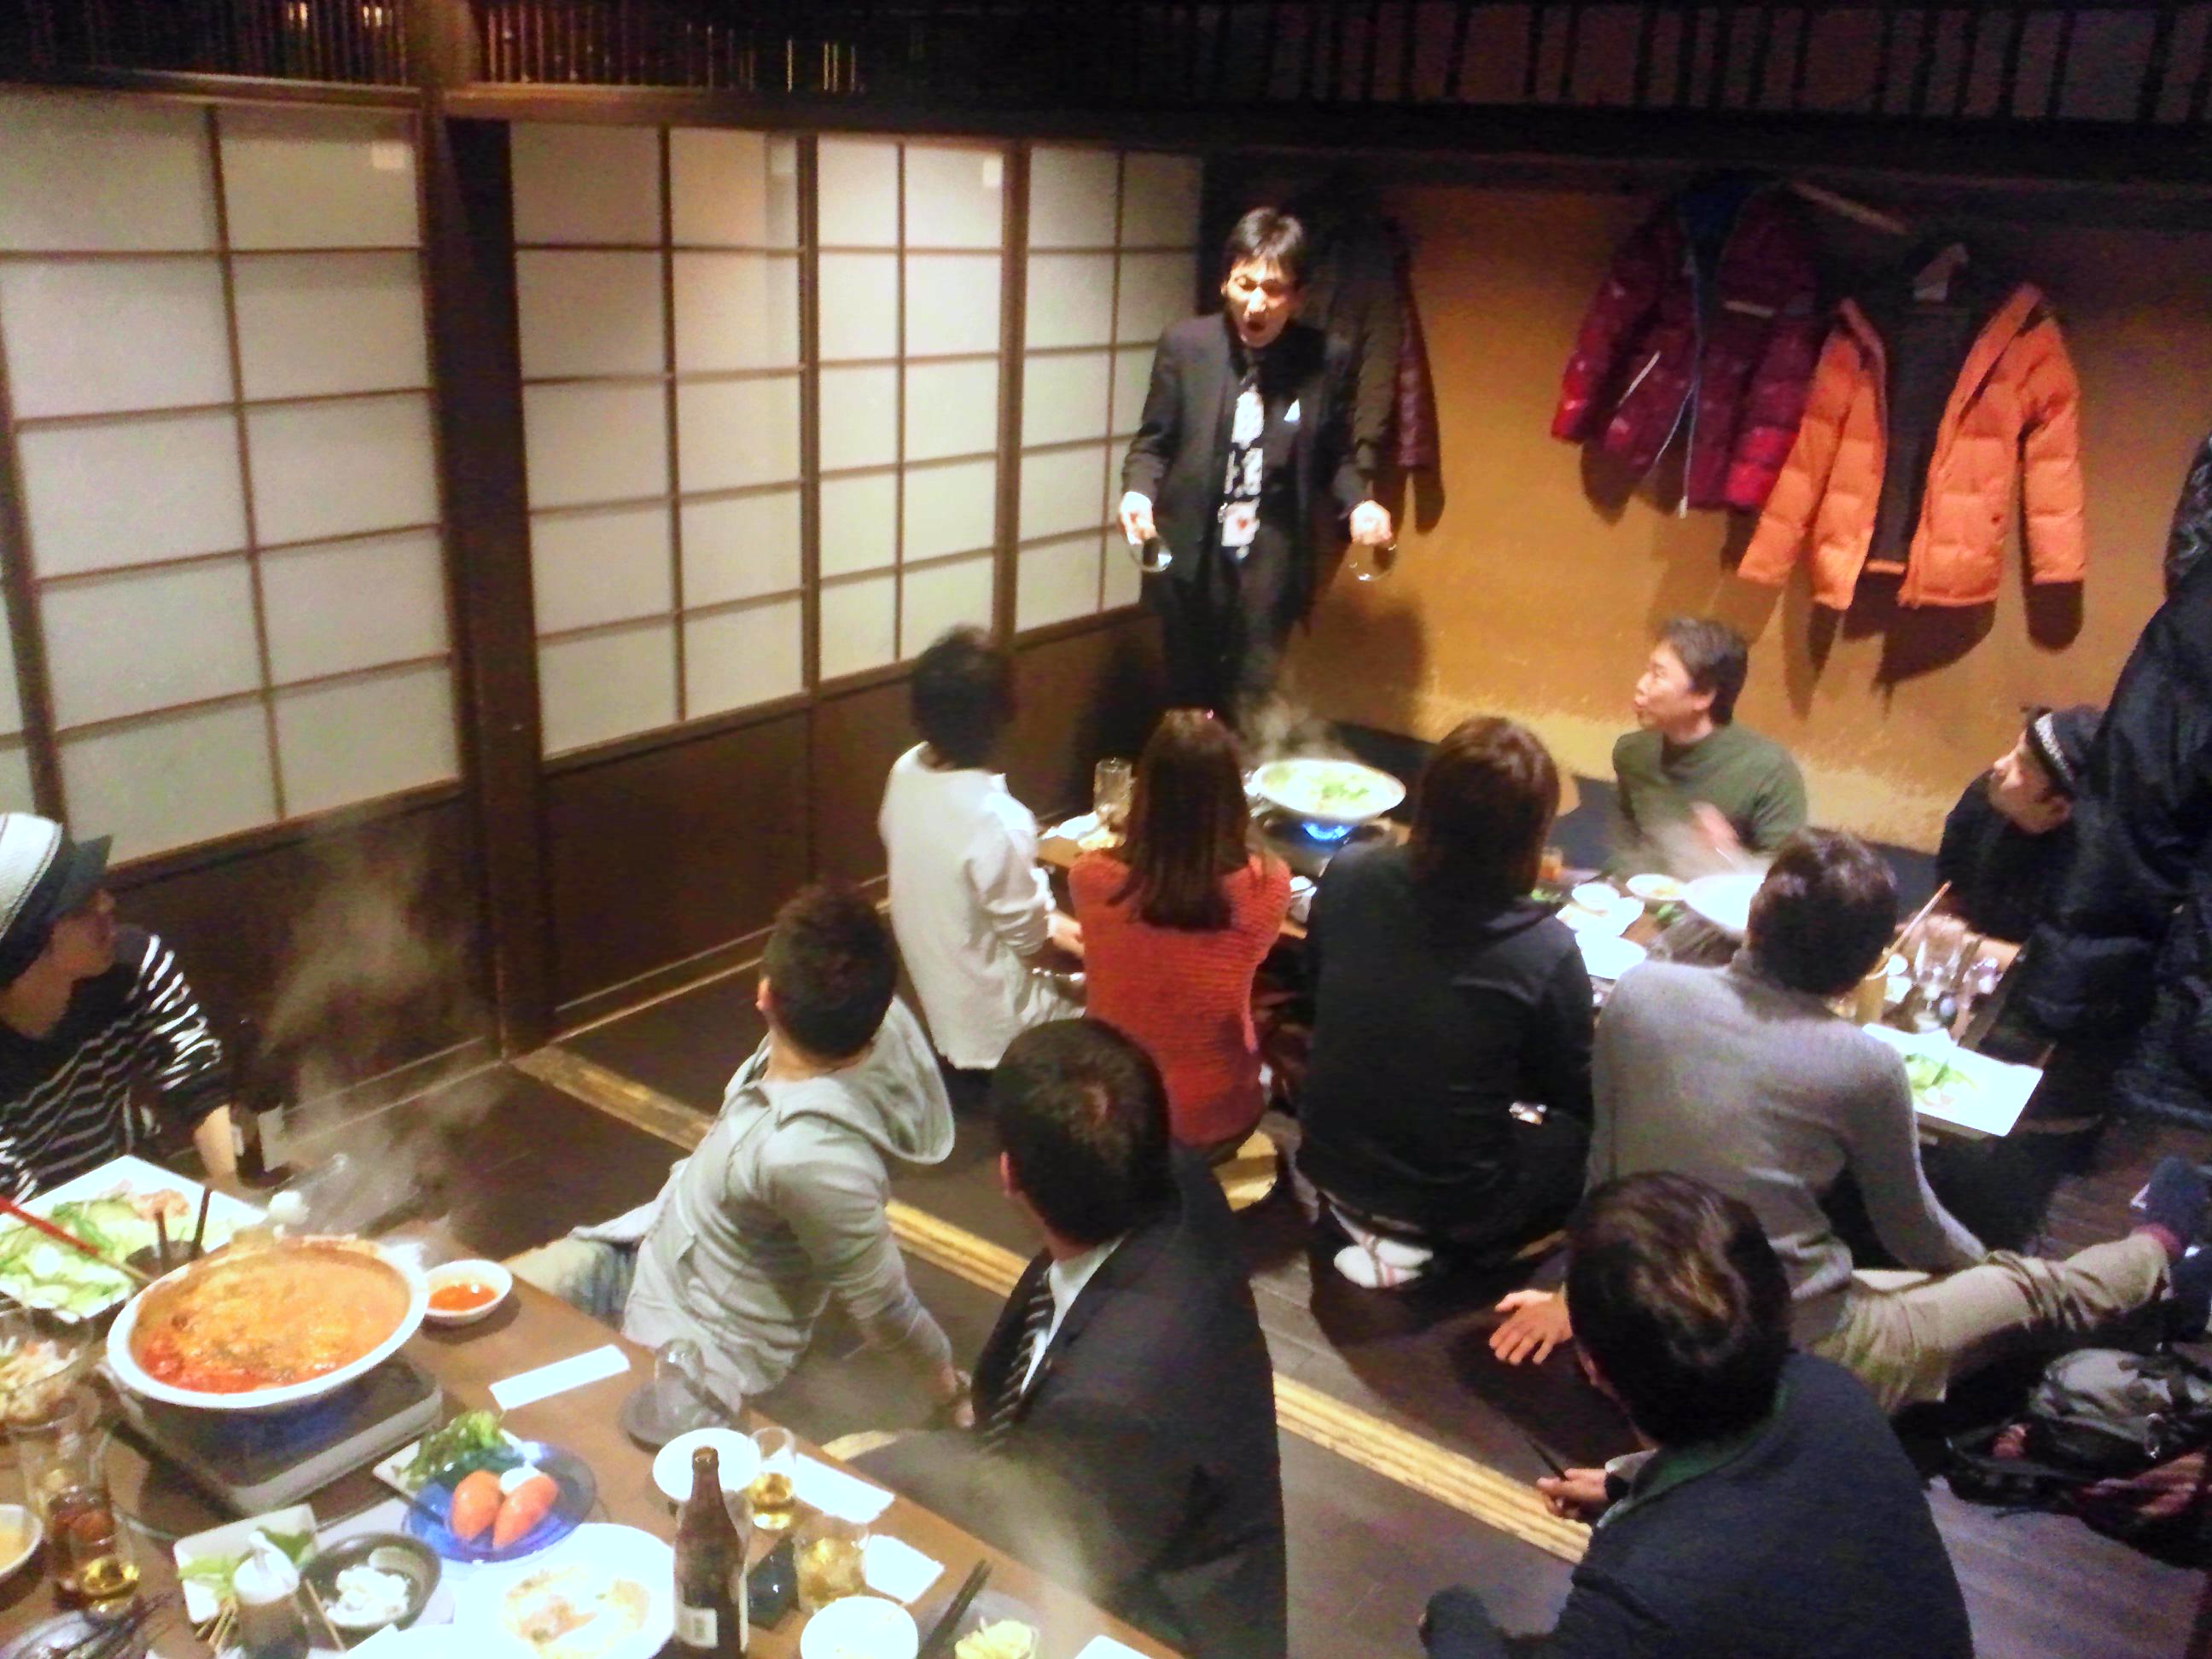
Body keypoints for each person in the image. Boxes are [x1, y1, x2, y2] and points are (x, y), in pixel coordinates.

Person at [1490, 829, 2205, 1413]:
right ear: (1864, 966)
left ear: (1755, 921)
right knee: (2031, 1288)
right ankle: (2163, 1244)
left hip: (1642, 1321)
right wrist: (1992, 1272)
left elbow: (1607, 1168)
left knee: (1901, 1279)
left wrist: (1577, 1296)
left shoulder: (1641, 991)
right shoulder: (1863, 1063)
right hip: (1786, 1354)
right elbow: (1913, 1231)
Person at [859, 1021, 1286, 1659]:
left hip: (1160, 1621)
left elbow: (1054, 1555)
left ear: (1009, 1174)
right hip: (1137, 1510)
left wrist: (885, 1471)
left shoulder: (1110, 1401)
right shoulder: (1172, 1177)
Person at [1425, 1173, 1974, 1658]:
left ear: (1593, 1366)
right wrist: (1631, 1486)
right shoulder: (1831, 1393)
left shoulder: (1640, 1595)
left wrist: (1453, 1615)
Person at [512, 883, 967, 1418]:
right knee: (467, 1302)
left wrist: (948, 1389)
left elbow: (885, 1307)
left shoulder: (810, 1158)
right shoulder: (862, 1017)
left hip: (695, 1344)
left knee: (550, 1424)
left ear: (764, 995)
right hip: (639, 1250)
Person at [1296, 718, 1592, 1289]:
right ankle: (1424, 1252)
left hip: (1326, 1168)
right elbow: (1567, 1093)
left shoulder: (1351, 872)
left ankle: (1374, 1234)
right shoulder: (1546, 948)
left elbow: (1315, 984)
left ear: (1428, 802)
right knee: (1576, 1141)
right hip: (1451, 1209)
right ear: (1531, 833)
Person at [1118, 207, 1394, 728]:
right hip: (1191, 548)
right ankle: (1189, 776)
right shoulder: (1186, 345)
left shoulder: (1326, 357)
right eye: (1245, 285)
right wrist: (1137, 492)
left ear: (1298, 296)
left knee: (1253, 696)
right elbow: (1153, 442)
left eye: (1274, 289)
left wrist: (1360, 502)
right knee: (1187, 697)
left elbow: (1335, 454)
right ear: (1226, 281)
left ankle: (1247, 778)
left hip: (1270, 553)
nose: (1256, 303)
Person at [1069, 710, 1289, 1156]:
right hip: (1219, 1115)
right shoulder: (1269, 883)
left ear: (1143, 792)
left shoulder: (1089, 877)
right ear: (1233, 798)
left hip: (1116, 1111)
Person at [880, 627, 1080, 1086]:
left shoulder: (906, 771)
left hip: (943, 1007)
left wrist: (1064, 928)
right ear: (1000, 718)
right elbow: (1034, 945)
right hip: (1000, 1030)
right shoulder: (995, 819)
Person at [0, 813, 232, 1197]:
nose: (107, 903)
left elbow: (196, 1078)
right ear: (27, 947)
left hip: (141, 1186)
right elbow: (19, 1211)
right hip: (39, 1223)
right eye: (81, 904)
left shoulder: (132, 965)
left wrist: (236, 1192)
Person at [1608, 616, 1805, 876]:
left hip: (1723, 900)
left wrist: (1729, 858)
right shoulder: (1631, 753)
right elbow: (1626, 851)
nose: (1641, 685)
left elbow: (1790, 882)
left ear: (1703, 695)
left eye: (1658, 675)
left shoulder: (1770, 771)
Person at [1936, 703, 2097, 944]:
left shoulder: (2091, 865)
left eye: (2022, 765)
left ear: (2058, 807)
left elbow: (2056, 961)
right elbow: (1950, 897)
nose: (2000, 765)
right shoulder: (1984, 797)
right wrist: (1933, 930)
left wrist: (1958, 944)